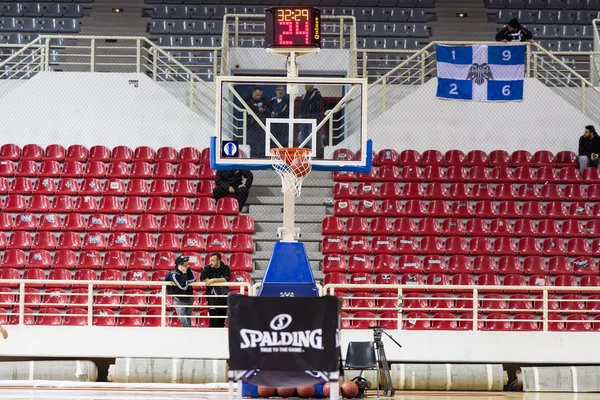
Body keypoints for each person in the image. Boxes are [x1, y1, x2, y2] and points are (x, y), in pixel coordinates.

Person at [200, 252, 231, 328]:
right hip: (212, 300)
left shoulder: (225, 268)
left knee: (221, 324)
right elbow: (202, 279)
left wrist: (212, 280)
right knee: (213, 323)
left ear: (219, 261)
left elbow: (225, 279)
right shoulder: (208, 268)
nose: (211, 262)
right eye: (210, 260)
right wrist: (217, 281)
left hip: (223, 299)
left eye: (213, 260)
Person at [165, 255, 196, 328]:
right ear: (179, 265)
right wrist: (185, 275)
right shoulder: (173, 275)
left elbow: (194, 280)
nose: (187, 266)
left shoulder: (188, 269)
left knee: (188, 317)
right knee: (182, 318)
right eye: (184, 264)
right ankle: (188, 332)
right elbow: (183, 287)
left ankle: (187, 333)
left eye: (187, 264)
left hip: (189, 298)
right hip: (179, 299)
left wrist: (186, 276)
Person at [246, 87, 271, 158]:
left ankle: (261, 156)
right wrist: (257, 109)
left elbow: (268, 108)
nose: (259, 97)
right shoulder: (248, 101)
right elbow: (246, 108)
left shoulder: (264, 101)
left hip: (262, 126)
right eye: (257, 95)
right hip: (251, 125)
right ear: (253, 94)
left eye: (260, 95)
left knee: (262, 143)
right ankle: (252, 156)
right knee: (252, 142)